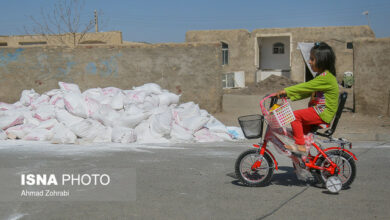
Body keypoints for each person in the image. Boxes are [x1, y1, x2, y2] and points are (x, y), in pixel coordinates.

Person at [276, 42, 339, 154]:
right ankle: (306, 159)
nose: (309, 62)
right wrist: (288, 95)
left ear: (322, 61)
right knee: (301, 134)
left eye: (312, 59)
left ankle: (300, 145)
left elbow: (306, 86)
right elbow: (308, 92)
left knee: (295, 117)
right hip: (318, 111)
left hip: (323, 112)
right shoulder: (321, 76)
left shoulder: (326, 78)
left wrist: (287, 90)